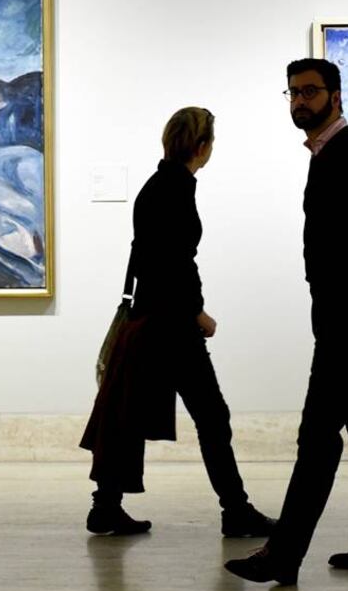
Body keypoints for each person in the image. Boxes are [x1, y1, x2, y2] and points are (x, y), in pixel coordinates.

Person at [224, 60, 348, 585]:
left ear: (336, 96)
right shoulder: (328, 155)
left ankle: (283, 554)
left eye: (310, 92)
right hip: (341, 320)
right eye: (292, 93)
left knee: (317, 438)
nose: (299, 102)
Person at [79, 106, 276, 538]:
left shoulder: (158, 185)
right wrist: (198, 312)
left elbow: (150, 257)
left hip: (149, 317)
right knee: (212, 416)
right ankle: (236, 510)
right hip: (170, 324)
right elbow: (175, 264)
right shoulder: (175, 190)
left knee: (124, 415)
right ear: (203, 147)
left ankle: (106, 506)